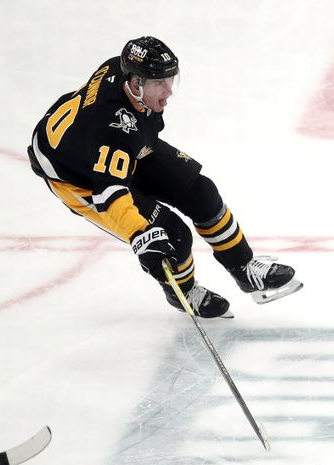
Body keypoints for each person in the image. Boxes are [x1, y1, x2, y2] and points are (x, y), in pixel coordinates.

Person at [27, 36, 302, 318]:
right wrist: (141, 234)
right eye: (160, 83)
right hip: (79, 177)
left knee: (201, 192)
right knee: (173, 235)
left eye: (171, 79)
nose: (168, 90)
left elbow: (124, 130)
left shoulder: (123, 79)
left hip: (117, 145)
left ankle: (243, 268)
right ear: (135, 83)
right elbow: (110, 193)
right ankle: (182, 292)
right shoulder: (111, 129)